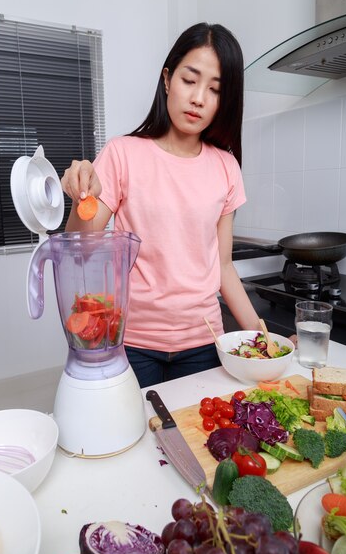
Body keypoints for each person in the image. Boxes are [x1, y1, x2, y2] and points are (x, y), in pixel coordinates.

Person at [61, 22, 263, 387]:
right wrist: (81, 198)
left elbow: (224, 267)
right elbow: (80, 249)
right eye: (190, 80)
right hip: (131, 343)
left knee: (195, 441)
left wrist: (263, 340)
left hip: (204, 342)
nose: (199, 97)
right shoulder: (123, 154)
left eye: (215, 89)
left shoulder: (226, 166)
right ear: (168, 80)